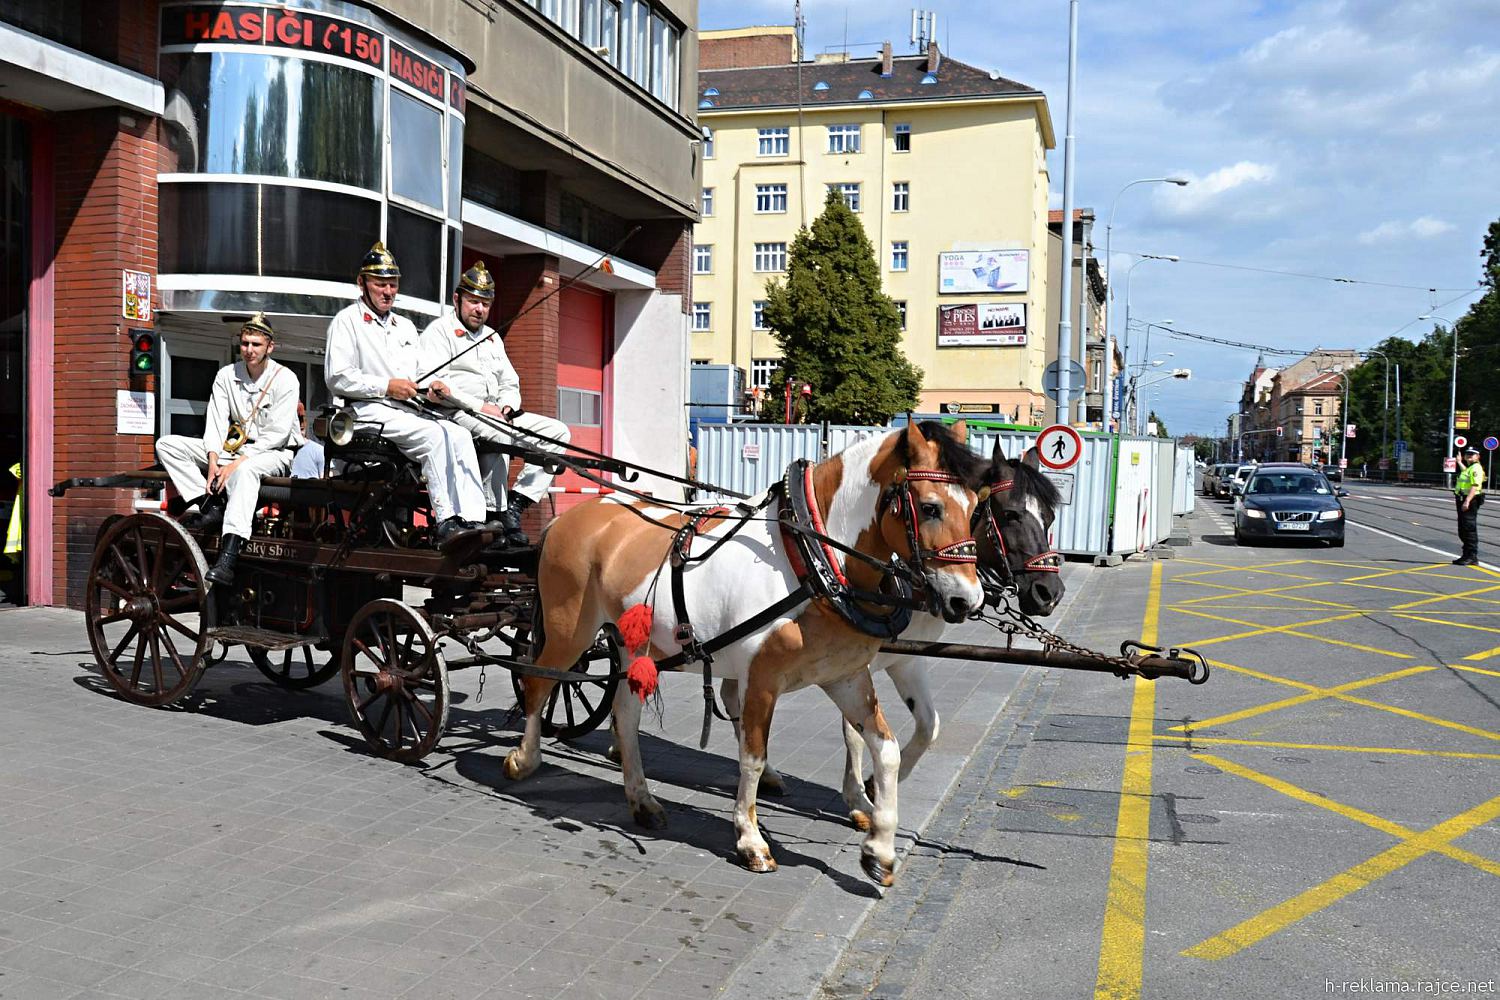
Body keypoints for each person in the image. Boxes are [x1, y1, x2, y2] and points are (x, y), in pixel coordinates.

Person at [324, 242, 487, 544]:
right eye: (380, 284)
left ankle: (475, 520)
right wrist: (387, 386)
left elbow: (420, 373)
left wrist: (432, 389)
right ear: (362, 284)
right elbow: (337, 377)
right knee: (434, 436)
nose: (388, 291)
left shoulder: (406, 327)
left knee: (460, 434)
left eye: (393, 284)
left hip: (406, 410)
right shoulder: (346, 322)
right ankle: (446, 522)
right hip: (365, 411)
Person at [419, 260, 571, 547]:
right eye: (474, 301)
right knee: (499, 433)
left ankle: (515, 503)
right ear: (457, 299)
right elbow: (435, 384)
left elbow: (510, 382)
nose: (479, 309)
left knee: (558, 433)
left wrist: (508, 405)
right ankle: (494, 512)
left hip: (497, 414)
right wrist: (480, 406)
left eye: (485, 304)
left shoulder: (492, 338)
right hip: (456, 413)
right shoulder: (438, 332)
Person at [157, 313, 302, 585]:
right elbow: (215, 420)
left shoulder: (286, 379)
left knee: (245, 471)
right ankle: (208, 504)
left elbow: (277, 434)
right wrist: (213, 461)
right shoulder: (226, 375)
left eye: (256, 344)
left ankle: (228, 557)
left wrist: (234, 464)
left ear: (270, 347)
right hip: (230, 450)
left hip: (272, 453)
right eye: (245, 343)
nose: (249, 350)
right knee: (167, 445)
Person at [1453, 446, 1486, 566]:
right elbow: (1465, 472)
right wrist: (1459, 462)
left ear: (1478, 457)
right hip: (1463, 500)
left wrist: (1467, 501)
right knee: (1463, 529)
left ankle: (1472, 556)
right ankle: (1466, 555)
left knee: (1469, 529)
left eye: (1472, 454)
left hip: (1470, 501)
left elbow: (1474, 486)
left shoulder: (1476, 468)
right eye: (1467, 453)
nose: (1469, 455)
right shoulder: (1470, 468)